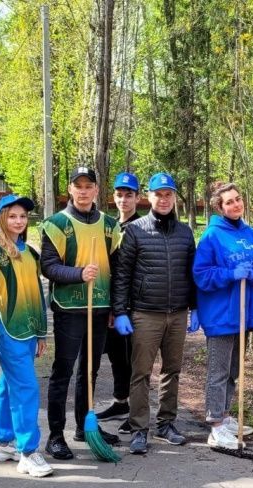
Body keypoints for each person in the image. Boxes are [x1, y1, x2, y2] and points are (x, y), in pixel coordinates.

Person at [111, 172, 199, 454]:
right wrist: (120, 311)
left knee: (172, 371)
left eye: (168, 194)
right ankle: (139, 428)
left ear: (174, 198)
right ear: (148, 197)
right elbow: (122, 274)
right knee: (141, 373)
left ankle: (166, 424)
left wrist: (194, 307)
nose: (163, 199)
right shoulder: (135, 230)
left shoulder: (185, 233)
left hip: (177, 313)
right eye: (158, 194)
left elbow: (192, 273)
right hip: (145, 313)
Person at [40, 166, 122, 460]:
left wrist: (116, 307)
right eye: (79, 186)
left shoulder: (110, 226)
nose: (84, 191)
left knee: (90, 370)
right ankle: (55, 435)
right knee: (62, 371)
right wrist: (78, 274)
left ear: (96, 190)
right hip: (69, 309)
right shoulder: (57, 224)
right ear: (71, 190)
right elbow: (48, 266)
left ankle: (84, 427)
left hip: (99, 309)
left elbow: (119, 270)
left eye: (89, 186)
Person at [0, 195, 53, 478]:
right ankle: (28, 452)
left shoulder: (30, 254)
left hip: (29, 331)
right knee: (27, 388)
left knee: (10, 385)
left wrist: (42, 332)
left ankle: (3, 442)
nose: (18, 221)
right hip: (7, 331)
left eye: (22, 216)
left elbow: (37, 295)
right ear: (1, 218)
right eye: (12, 216)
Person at [192, 182, 253, 449]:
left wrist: (252, 273)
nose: (236, 204)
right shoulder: (212, 236)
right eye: (229, 202)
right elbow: (201, 275)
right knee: (218, 372)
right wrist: (230, 274)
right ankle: (215, 427)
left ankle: (226, 417)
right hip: (220, 314)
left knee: (233, 371)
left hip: (244, 313)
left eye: (238, 199)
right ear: (220, 207)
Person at [97, 172, 142, 435]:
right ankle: (120, 401)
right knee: (116, 356)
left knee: (134, 359)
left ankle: (136, 411)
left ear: (137, 197)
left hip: (134, 304)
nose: (123, 200)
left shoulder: (141, 227)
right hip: (113, 303)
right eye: (119, 195)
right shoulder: (111, 226)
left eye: (129, 195)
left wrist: (121, 307)